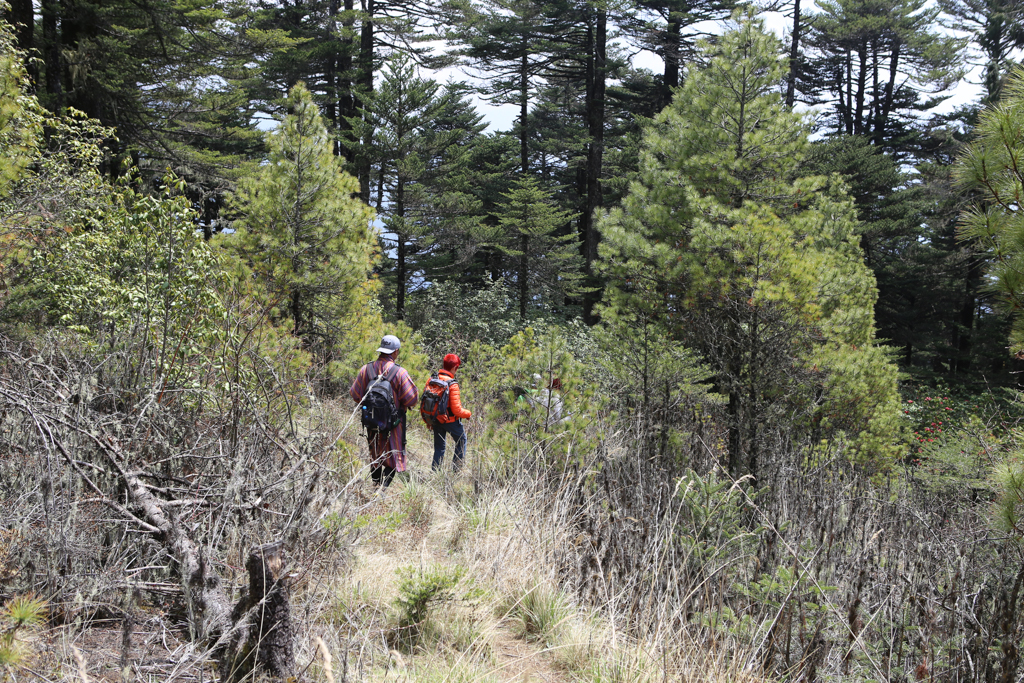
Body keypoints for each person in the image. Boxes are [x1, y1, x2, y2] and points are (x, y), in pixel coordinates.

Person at [349, 334, 419, 487]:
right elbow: (412, 399)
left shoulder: (365, 370)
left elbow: (355, 394)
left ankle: (375, 486)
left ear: (381, 350)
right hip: (394, 423)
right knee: (392, 455)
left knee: (375, 455)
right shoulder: (400, 373)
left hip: (372, 421)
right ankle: (382, 490)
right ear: (395, 352)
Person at [426, 353, 472, 472]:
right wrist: (468, 413)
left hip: (435, 419)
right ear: (454, 368)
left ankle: (435, 472)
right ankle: (456, 471)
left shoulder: (432, 379)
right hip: (450, 421)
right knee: (461, 441)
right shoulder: (452, 384)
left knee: (439, 447)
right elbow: (457, 410)